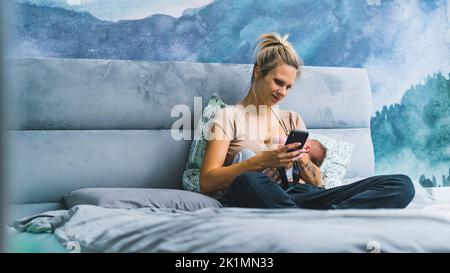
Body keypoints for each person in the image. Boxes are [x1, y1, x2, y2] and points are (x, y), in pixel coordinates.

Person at [199, 32, 415, 209]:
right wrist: (262, 162)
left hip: (303, 196)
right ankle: (315, 216)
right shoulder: (227, 117)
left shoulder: (292, 119)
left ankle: (328, 213)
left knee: (402, 184)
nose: (283, 92)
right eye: (278, 82)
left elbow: (317, 182)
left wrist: (301, 159)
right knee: (248, 182)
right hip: (259, 194)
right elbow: (207, 181)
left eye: (288, 86)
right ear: (257, 73)